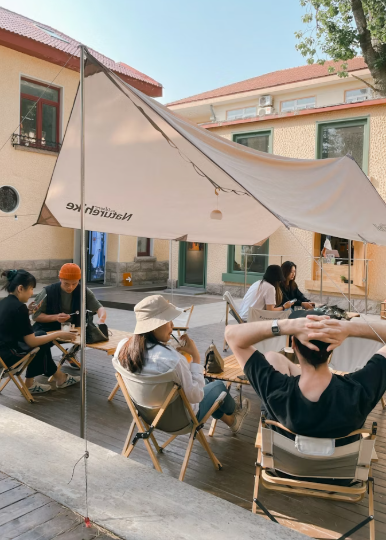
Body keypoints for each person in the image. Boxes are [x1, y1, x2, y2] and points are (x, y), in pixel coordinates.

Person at [225, 313, 386, 444]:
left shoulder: (276, 390)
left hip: (285, 473)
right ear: (335, 345)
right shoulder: (359, 390)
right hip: (341, 480)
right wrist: (349, 328)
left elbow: (231, 334)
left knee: (272, 357)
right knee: (274, 357)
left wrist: (288, 326)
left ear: (293, 344)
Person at [114, 295, 250, 434]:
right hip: (182, 420)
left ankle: (231, 421)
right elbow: (196, 396)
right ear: (155, 325)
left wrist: (173, 351)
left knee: (207, 382)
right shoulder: (173, 360)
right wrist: (195, 357)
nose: (172, 325)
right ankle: (235, 411)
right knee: (218, 387)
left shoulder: (123, 348)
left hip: (149, 417)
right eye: (169, 320)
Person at [0, 270, 80, 394]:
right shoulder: (19, 308)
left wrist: (28, 311)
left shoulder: (4, 303)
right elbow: (32, 342)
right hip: (10, 356)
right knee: (40, 340)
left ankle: (49, 379)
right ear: (20, 288)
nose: (32, 293)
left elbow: (11, 320)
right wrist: (58, 333)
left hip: (3, 351)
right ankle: (58, 378)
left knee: (41, 335)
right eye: (31, 289)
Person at [32, 263, 106, 368]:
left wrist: (101, 319)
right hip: (48, 328)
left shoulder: (83, 290)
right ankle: (48, 367)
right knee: (39, 342)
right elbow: (35, 316)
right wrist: (55, 317)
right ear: (60, 278)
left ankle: (69, 354)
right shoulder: (48, 291)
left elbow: (99, 308)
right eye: (66, 283)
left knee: (92, 335)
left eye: (74, 284)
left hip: (73, 328)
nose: (70, 287)